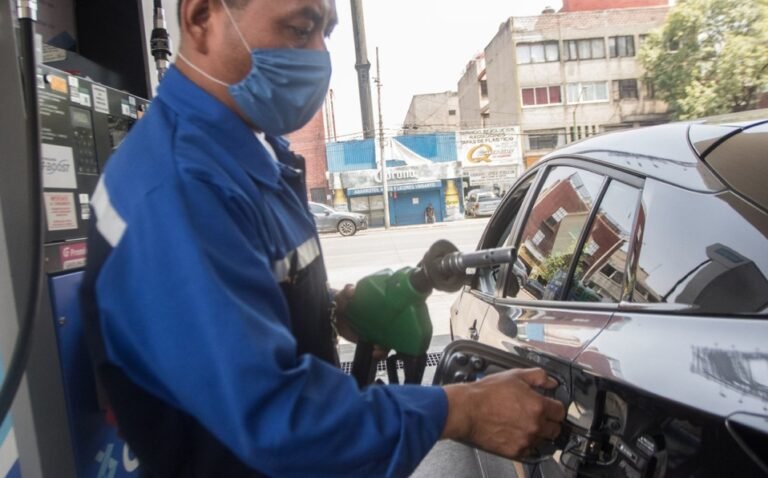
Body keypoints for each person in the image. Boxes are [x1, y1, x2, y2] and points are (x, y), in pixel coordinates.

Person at [80, 0, 565, 476]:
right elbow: (277, 422)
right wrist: (461, 410)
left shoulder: (250, 152)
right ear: (201, 16)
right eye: (298, 27)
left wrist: (331, 309)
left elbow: (252, 288)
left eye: (325, 32)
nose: (317, 55)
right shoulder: (182, 185)